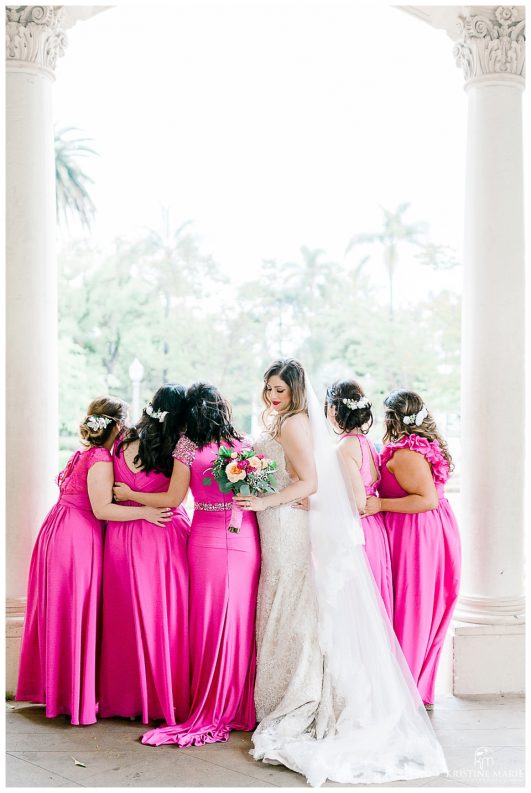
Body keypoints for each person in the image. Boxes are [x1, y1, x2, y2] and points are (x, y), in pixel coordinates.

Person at [235, 358, 447, 787]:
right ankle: (286, 686)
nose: (272, 396)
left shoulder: (294, 424)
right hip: (278, 519)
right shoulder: (287, 422)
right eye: (268, 388)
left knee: (289, 599)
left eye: (279, 389)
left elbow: (309, 483)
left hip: (284, 522)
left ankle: (300, 693)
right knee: (283, 597)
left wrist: (264, 501)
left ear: (295, 391)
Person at [16, 397, 172, 725]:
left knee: (64, 612)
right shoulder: (101, 458)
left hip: (58, 527)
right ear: (115, 425)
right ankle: (71, 699)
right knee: (73, 612)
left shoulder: (84, 452)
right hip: (76, 536)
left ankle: (60, 693)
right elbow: (102, 509)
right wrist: (145, 511)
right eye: (125, 422)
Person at [122, 382, 260, 747]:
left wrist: (131, 495)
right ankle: (237, 706)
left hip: (206, 538)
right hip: (244, 536)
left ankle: (211, 704)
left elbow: (172, 498)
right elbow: (249, 496)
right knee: (239, 621)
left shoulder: (187, 446)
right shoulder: (243, 444)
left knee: (208, 622)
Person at [99, 385, 191, 724]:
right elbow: (175, 499)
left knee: (125, 614)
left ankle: (125, 698)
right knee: (164, 616)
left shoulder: (123, 440)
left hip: (121, 537)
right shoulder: (180, 445)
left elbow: (112, 490)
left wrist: (130, 493)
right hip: (162, 535)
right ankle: (164, 696)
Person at [364, 389, 461, 709]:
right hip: (422, 528)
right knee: (415, 606)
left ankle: (405, 687)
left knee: (412, 606)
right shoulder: (412, 446)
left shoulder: (406, 454)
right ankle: (410, 683)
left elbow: (427, 499)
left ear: (391, 418)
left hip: (416, 533)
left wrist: (379, 504)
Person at [324, 378, 393, 619]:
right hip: (375, 529)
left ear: (333, 410)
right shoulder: (367, 444)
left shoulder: (344, 447)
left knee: (357, 611)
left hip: (358, 532)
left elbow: (358, 503)